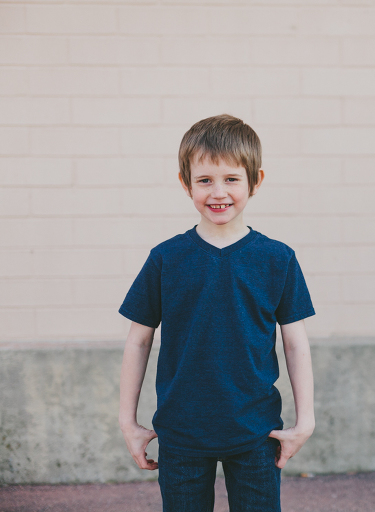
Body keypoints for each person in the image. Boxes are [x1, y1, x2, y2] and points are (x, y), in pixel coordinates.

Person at [118, 114, 315, 512]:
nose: (218, 192)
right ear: (185, 182)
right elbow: (138, 341)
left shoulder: (277, 259)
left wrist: (304, 421)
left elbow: (296, 344)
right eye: (205, 180)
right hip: (181, 433)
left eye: (231, 179)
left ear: (255, 181)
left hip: (257, 432)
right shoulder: (166, 258)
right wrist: (129, 422)